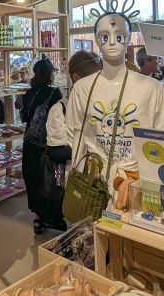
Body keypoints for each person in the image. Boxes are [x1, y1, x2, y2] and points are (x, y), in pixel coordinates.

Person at [43, 51, 102, 230]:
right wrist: (91, 150)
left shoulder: (103, 104)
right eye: (94, 78)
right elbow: (56, 151)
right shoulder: (59, 109)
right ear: (76, 78)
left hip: (106, 182)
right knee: (82, 230)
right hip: (80, 184)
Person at [20, 59, 62, 234]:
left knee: (33, 180)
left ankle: (38, 217)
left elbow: (24, 117)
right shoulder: (54, 93)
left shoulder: (28, 93)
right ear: (49, 74)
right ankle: (53, 217)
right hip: (48, 144)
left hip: (30, 142)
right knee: (50, 180)